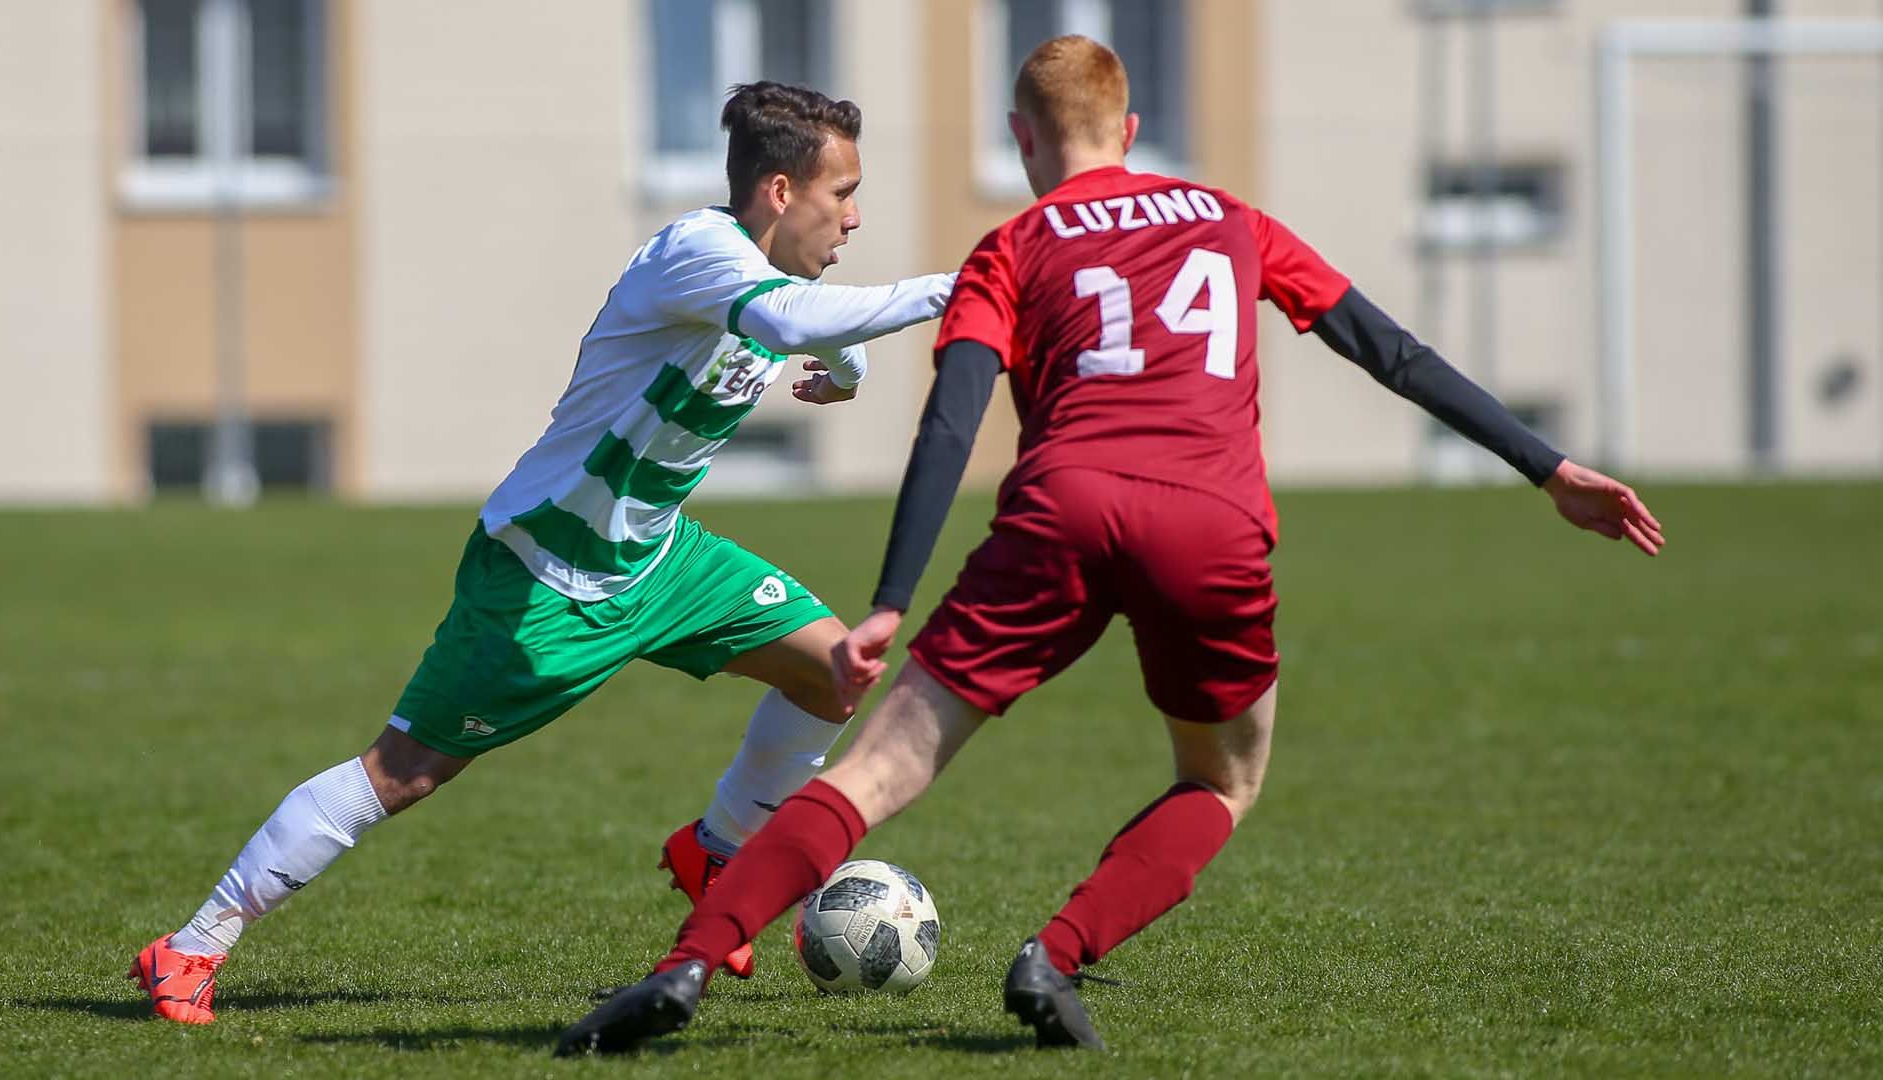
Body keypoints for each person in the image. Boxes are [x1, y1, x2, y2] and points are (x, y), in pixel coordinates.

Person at [555, 36, 1665, 1056]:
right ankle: (1058, 954)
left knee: (879, 770)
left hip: (1062, 514)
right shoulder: (1233, 219)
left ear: (1023, 139)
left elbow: (952, 418)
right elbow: (1389, 349)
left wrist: (892, 597)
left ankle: (688, 963)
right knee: (1222, 780)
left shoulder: (1013, 244)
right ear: (1130, 131)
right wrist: (1546, 465)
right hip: (1213, 524)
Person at [129, 81, 958, 1025]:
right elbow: (790, 325)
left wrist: (842, 378)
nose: (855, 215)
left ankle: (718, 850)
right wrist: (955, 290)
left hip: (661, 559)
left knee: (832, 673)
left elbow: (812, 328)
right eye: (842, 193)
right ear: (778, 191)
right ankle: (192, 944)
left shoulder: (778, 280)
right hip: (543, 581)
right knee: (399, 774)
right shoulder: (700, 256)